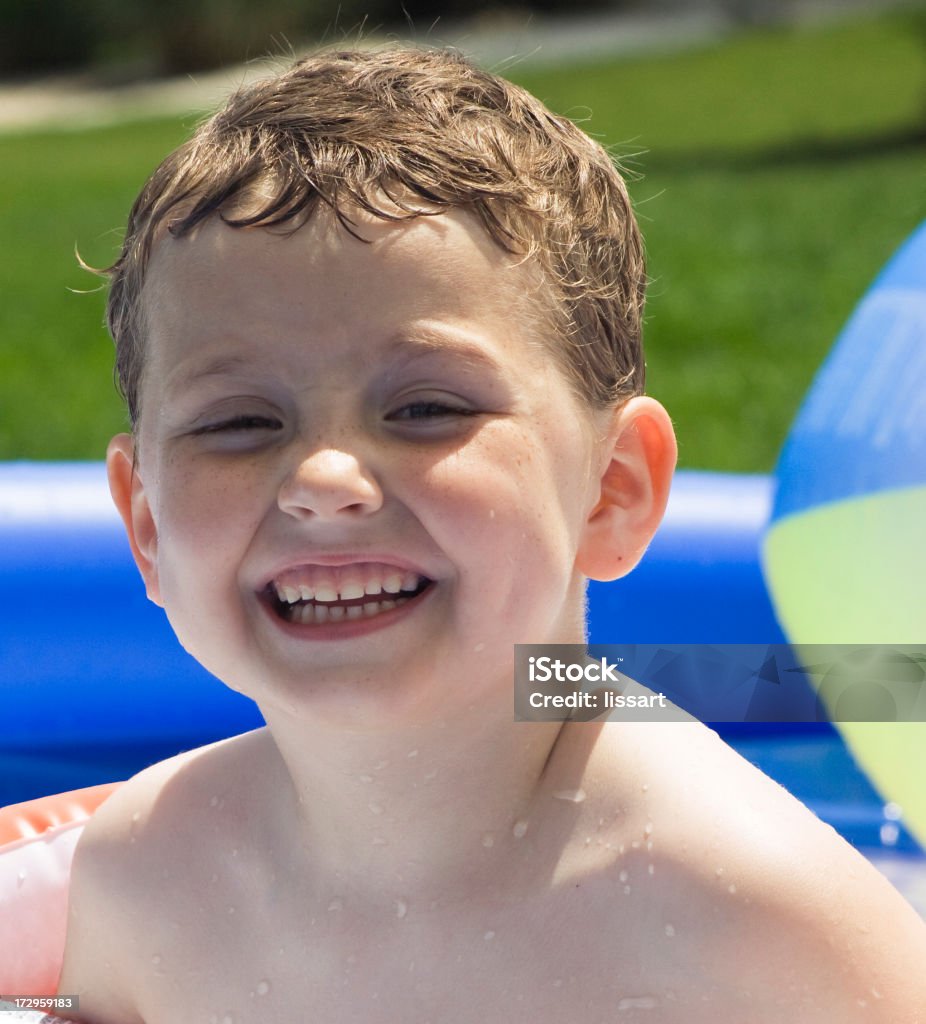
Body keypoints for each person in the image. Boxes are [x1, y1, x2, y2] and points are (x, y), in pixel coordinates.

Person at [58, 47, 926, 1023]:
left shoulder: (742, 916)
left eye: (425, 406)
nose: (324, 479)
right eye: (238, 422)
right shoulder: (145, 875)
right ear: (145, 527)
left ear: (613, 489)